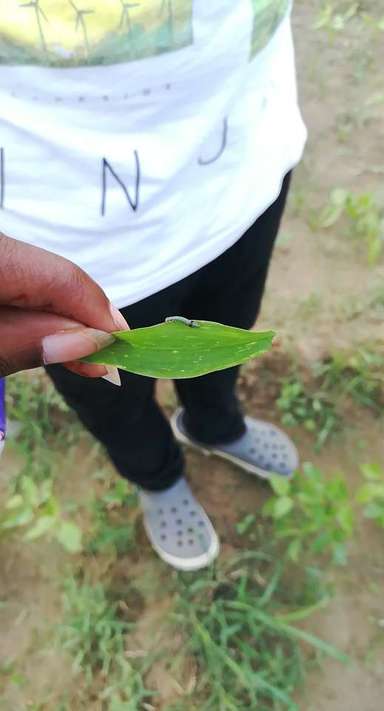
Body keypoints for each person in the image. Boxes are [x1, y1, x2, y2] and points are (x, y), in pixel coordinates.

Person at [0, 0, 306, 571]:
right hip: (62, 250)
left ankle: (215, 424)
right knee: (111, 395)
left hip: (241, 170)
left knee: (225, 340)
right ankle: (156, 475)